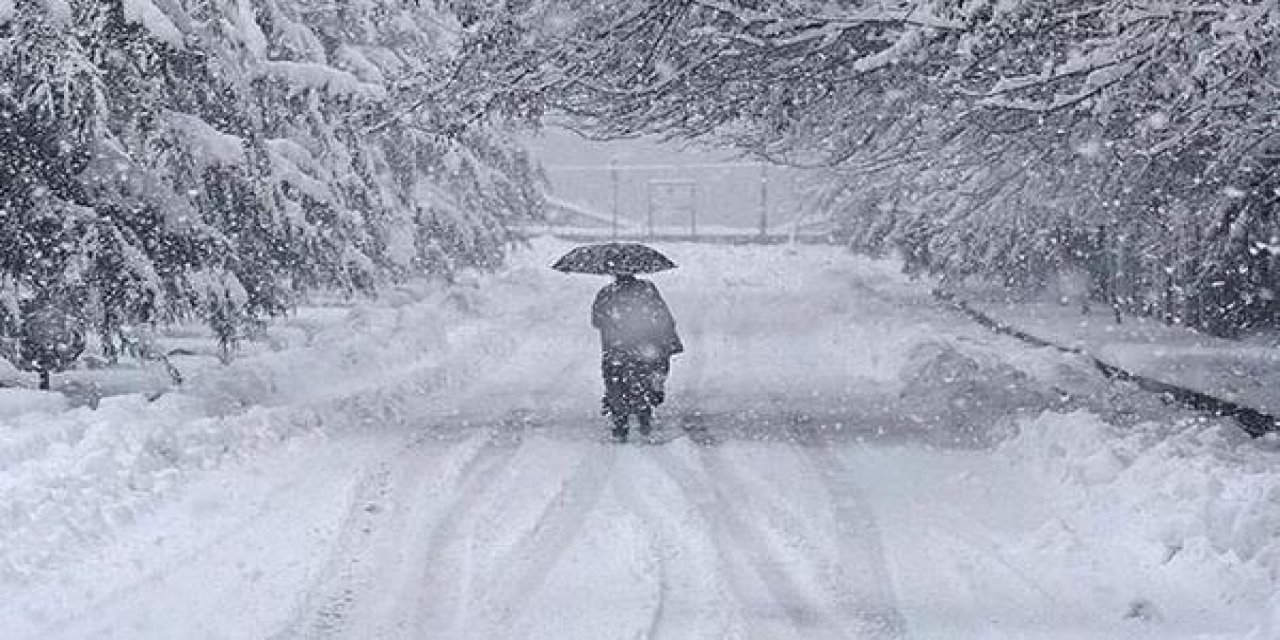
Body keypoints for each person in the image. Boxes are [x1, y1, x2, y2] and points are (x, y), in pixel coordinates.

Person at [592, 273, 682, 441]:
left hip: (616, 349)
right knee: (642, 381)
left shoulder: (606, 293)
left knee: (616, 384)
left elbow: (596, 320)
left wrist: (614, 323)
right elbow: (662, 316)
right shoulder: (647, 290)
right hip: (643, 348)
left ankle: (620, 423)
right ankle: (644, 417)